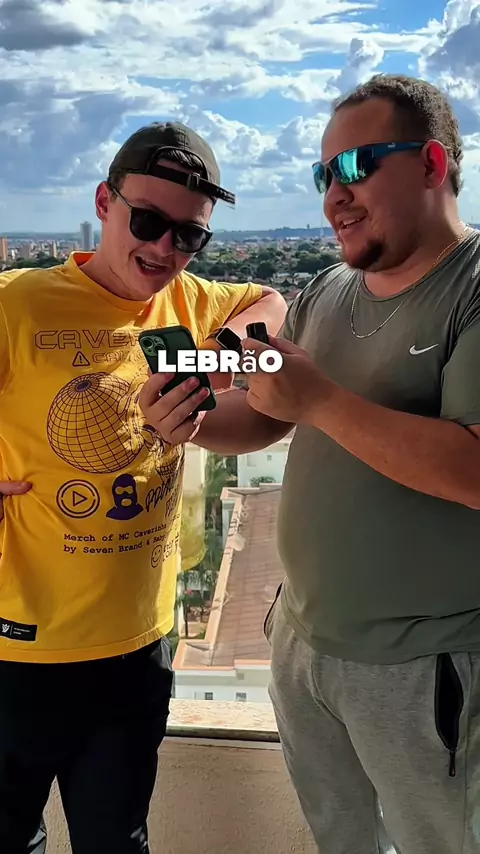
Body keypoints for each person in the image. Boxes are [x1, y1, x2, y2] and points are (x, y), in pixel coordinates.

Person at [142, 75, 480, 853]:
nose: (335, 194)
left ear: (433, 163)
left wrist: (321, 399)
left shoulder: (471, 287)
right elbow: (268, 415)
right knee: (340, 841)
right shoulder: (327, 290)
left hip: (425, 664)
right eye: (323, 174)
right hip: (303, 645)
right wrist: (189, 420)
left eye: (356, 166)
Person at [0, 120, 286, 854]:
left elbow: (271, 303)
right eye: (149, 222)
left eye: (189, 235)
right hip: (18, 650)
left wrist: (218, 356)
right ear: (105, 203)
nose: (164, 249)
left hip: (137, 647)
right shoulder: (18, 303)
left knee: (119, 841)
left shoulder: (189, 304)